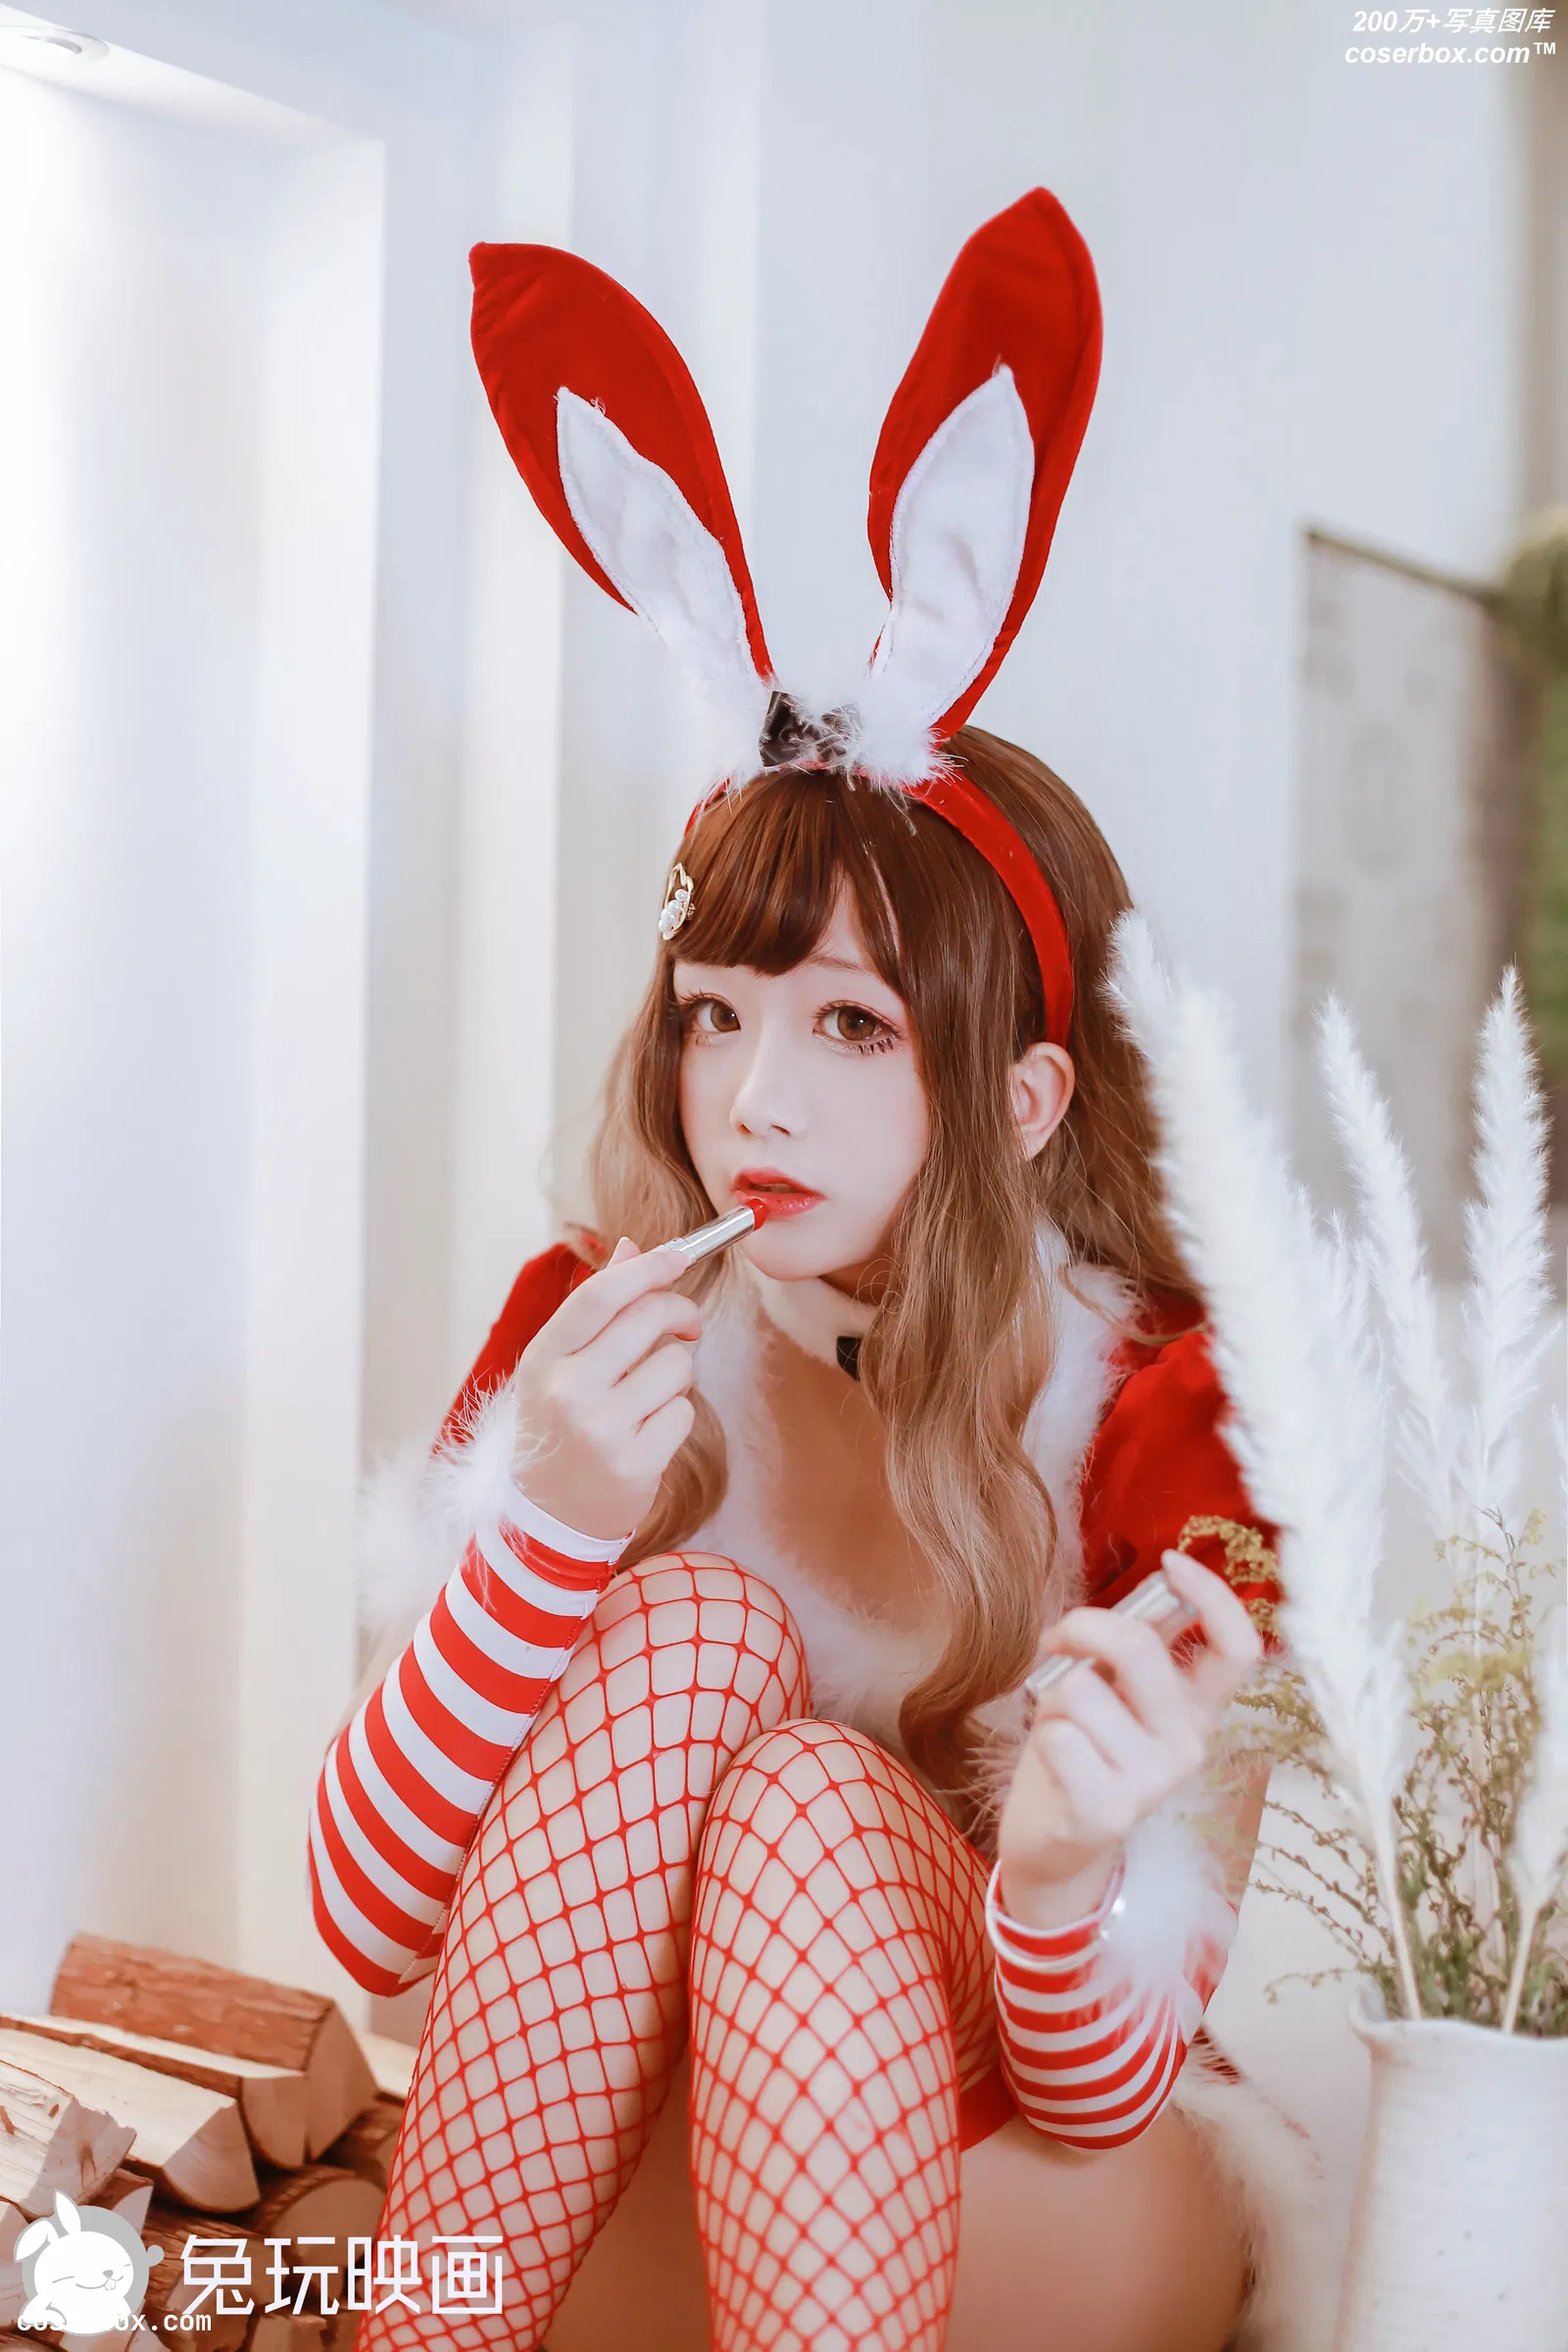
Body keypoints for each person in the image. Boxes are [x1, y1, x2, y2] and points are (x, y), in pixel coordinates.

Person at [309, 193, 1320, 2352]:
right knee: (687, 1634)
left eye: (852, 1024)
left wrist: (1060, 1863)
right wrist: (547, 1532)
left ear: (1022, 1097)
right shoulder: (596, 1330)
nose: (752, 1099)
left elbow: (1105, 2081)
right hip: (644, 2157)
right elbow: (374, 1931)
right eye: (716, 1014)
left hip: (1034, 2178)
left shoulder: (1164, 1414)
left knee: (798, 1799)